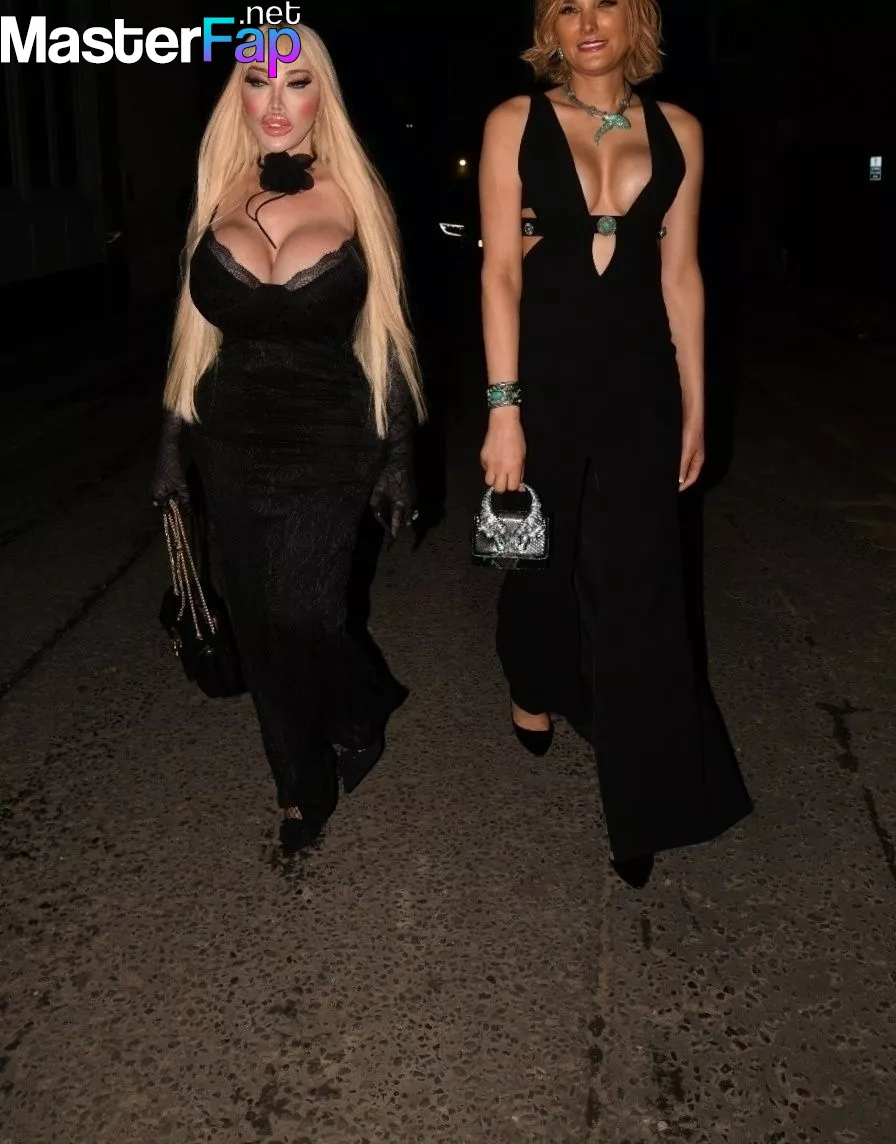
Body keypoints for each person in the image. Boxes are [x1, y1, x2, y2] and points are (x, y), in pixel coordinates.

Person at [478, 0, 751, 886]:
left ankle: (646, 806)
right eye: (567, 6)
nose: (586, 21)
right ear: (548, 28)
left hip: (641, 385)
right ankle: (535, 678)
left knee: (642, 592)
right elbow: (500, 271)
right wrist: (504, 408)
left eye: (604, 3)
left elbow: (682, 274)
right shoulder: (514, 121)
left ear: (636, 19)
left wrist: (697, 406)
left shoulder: (680, 131)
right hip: (545, 377)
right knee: (537, 565)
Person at [151, 25, 424, 854]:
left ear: (320, 94)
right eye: (257, 79)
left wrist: (400, 455)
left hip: (331, 437)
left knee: (306, 611)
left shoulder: (357, 192)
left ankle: (360, 706)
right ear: (235, 92)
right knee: (256, 617)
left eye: (295, 81)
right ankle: (301, 785)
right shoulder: (216, 188)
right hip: (230, 436)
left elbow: (387, 334)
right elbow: (192, 338)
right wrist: (169, 452)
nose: (275, 101)